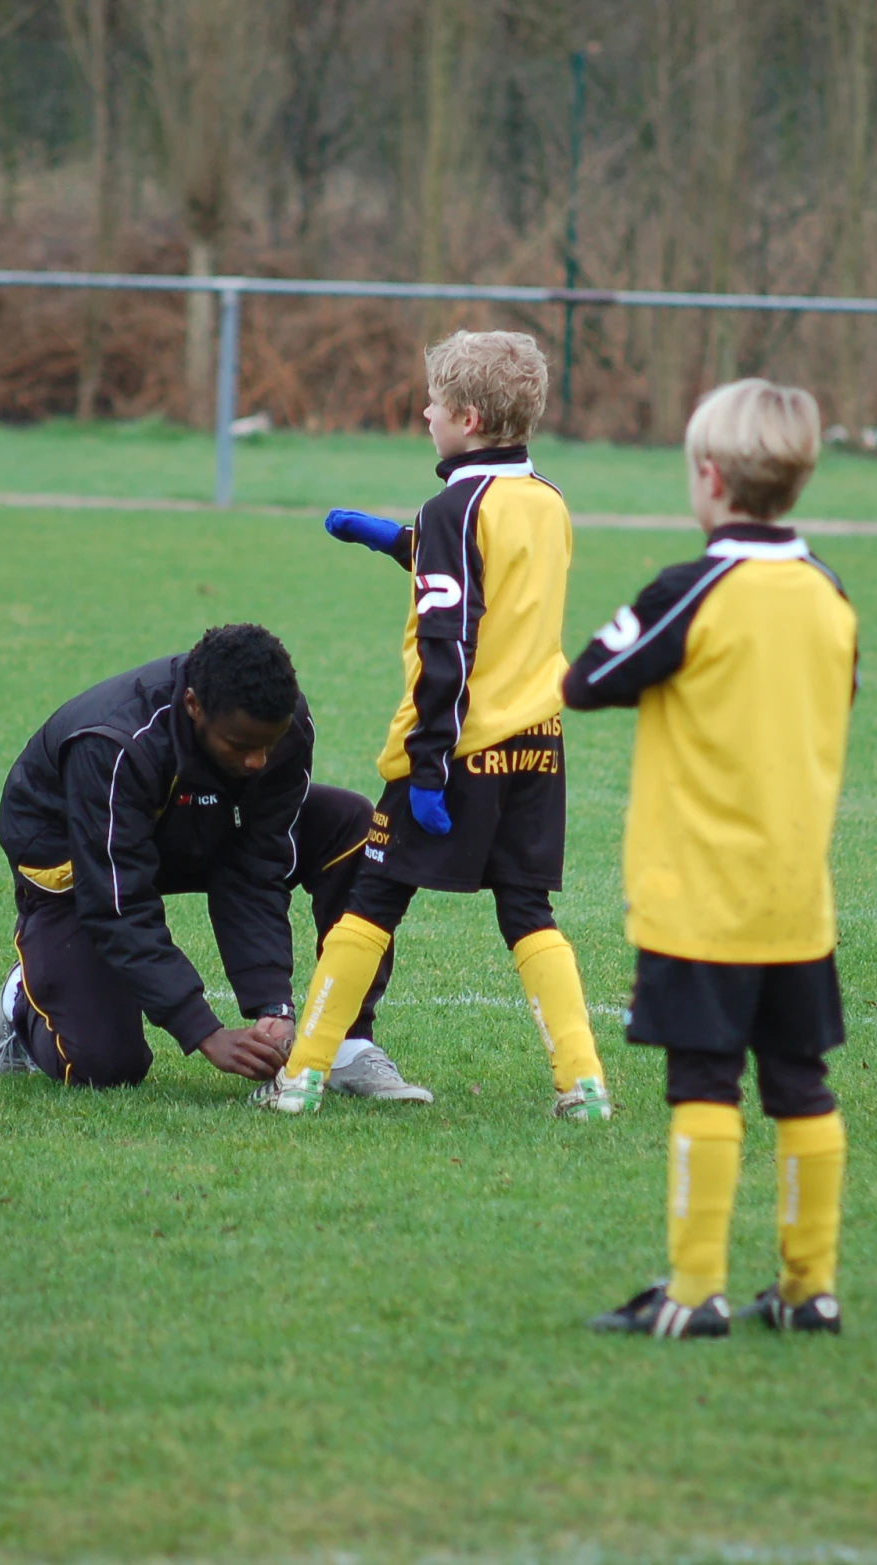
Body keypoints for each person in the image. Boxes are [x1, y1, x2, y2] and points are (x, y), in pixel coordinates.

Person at [252, 329, 612, 1119]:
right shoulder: (546, 500)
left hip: (454, 749)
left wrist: (428, 759)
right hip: (539, 748)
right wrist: (399, 542)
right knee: (528, 912)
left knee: (372, 900)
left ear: (470, 418)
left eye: (435, 405)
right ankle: (582, 1083)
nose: (424, 413)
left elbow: (451, 639)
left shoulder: (454, 507)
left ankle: (303, 1073)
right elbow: (494, 579)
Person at [566, 379, 859, 1338]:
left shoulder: (690, 588)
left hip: (700, 899)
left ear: (710, 475)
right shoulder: (829, 592)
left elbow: (588, 678)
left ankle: (695, 1292)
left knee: (704, 1082)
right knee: (799, 1084)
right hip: (794, 900)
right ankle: (810, 1287)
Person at [0, 622, 429, 1099]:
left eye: (267, 745)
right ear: (194, 707)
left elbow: (256, 865)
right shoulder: (114, 744)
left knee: (353, 824)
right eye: (240, 745)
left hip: (195, 820)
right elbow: (117, 902)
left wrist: (273, 1007)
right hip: (75, 856)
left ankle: (344, 1045)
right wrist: (204, 1032)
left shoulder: (285, 724)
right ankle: (21, 999)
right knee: (106, 1065)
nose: (258, 761)